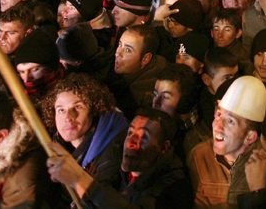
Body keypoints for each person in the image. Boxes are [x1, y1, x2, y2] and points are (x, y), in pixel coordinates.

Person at [46, 107, 193, 208]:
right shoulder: (118, 171)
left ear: (164, 148)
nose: (130, 143)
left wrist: (82, 181)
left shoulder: (175, 187)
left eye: (144, 137)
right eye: (130, 133)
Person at [40, 73, 129, 196]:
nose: (68, 117)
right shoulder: (53, 146)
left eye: (77, 107)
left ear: (94, 109)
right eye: (61, 110)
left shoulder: (113, 151)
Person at [188, 76, 266, 209]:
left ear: (250, 137)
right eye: (219, 115)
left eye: (230, 121)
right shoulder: (199, 156)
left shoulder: (264, 167)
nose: (217, 126)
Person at [112, 24, 167, 118]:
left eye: (128, 50)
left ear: (145, 59)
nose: (118, 53)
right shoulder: (120, 71)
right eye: (120, 45)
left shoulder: (143, 99)